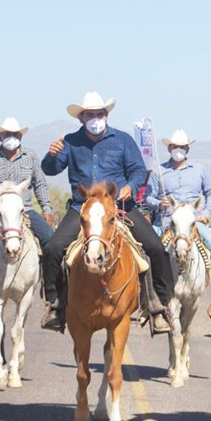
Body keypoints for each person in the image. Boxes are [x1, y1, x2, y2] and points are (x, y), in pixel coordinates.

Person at [39, 91, 175, 333]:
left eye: (99, 114)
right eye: (89, 114)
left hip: (119, 207)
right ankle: (55, 305)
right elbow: (51, 169)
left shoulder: (123, 140)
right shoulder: (70, 142)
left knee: (156, 248)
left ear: (106, 115)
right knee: (52, 248)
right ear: (81, 118)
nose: (95, 118)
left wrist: (130, 187)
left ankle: (160, 307)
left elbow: (138, 171)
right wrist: (51, 155)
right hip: (83, 208)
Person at [0, 117, 55, 259]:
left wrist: (46, 209)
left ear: (20, 136)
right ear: (0, 137)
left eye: (15, 134)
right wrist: (3, 196)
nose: (11, 137)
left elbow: (40, 184)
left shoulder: (30, 156)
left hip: (25, 209)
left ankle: (47, 273)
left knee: (50, 240)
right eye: (7, 134)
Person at [145, 129, 211, 271]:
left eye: (182, 147)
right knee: (144, 250)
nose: (178, 150)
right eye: (175, 146)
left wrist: (206, 214)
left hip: (193, 222)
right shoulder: (158, 171)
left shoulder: (199, 170)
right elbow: (148, 197)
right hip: (165, 221)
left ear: (187, 149)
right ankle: (146, 283)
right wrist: (159, 203)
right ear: (169, 148)